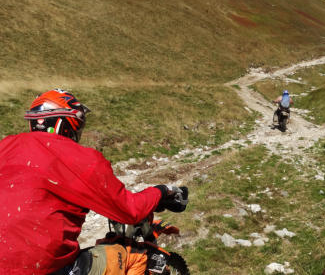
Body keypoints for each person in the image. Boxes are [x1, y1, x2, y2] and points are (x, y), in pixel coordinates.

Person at [0, 89, 188, 274]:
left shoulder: (5, 146)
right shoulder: (79, 158)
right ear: (68, 125)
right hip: (43, 269)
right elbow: (130, 210)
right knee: (135, 255)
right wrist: (163, 190)